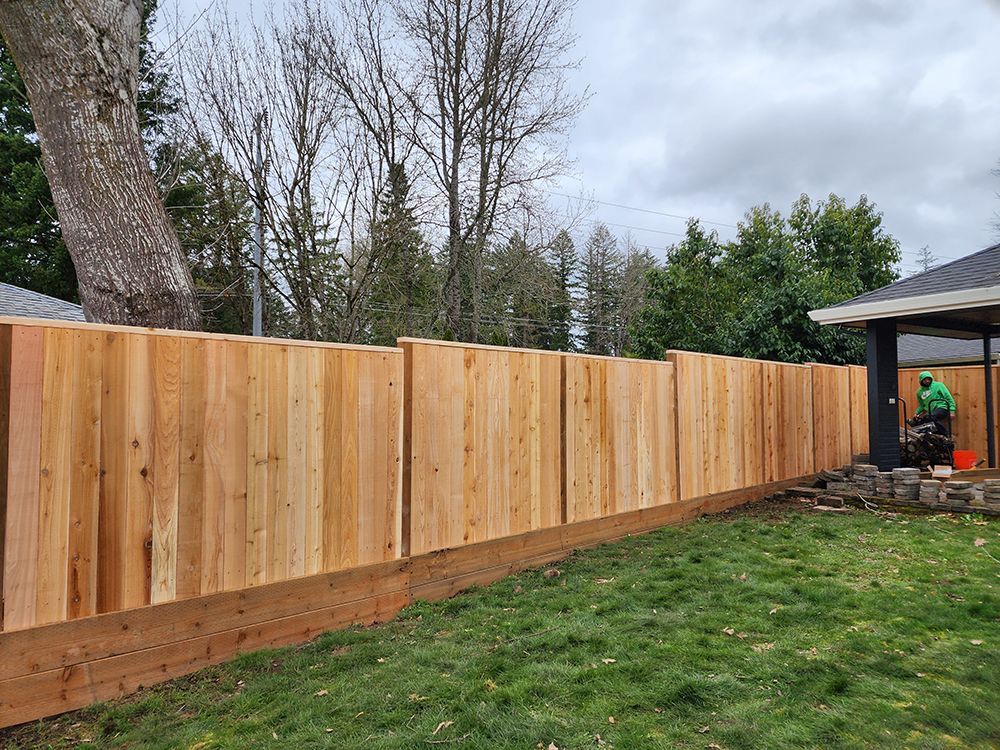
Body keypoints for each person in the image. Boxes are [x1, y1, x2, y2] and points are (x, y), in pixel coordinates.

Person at [913, 370, 956, 436]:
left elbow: (949, 398)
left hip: (942, 407)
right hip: (931, 411)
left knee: (929, 417)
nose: (927, 381)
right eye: (925, 380)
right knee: (924, 420)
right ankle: (917, 427)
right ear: (921, 380)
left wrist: (952, 411)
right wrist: (917, 412)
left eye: (928, 379)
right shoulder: (919, 392)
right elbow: (922, 405)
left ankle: (945, 434)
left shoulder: (939, 385)